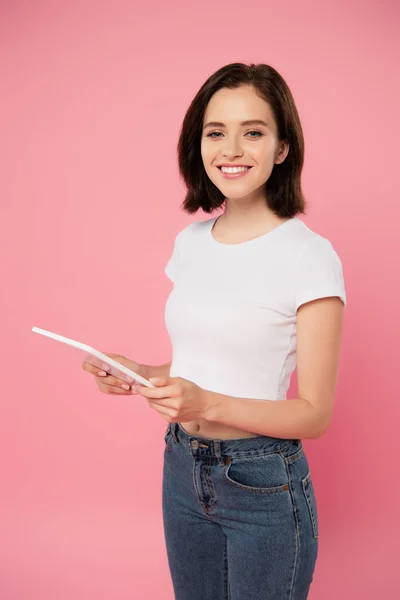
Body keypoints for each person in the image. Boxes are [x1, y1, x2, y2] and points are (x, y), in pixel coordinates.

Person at [83, 62, 347, 600]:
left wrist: (203, 403)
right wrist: (137, 372)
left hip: (262, 480)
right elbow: (195, 370)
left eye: (253, 132)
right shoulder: (191, 242)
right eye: (215, 132)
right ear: (197, 145)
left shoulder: (309, 256)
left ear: (282, 148)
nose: (231, 148)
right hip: (182, 467)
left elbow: (313, 414)